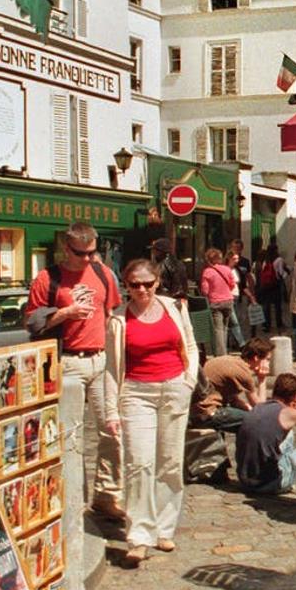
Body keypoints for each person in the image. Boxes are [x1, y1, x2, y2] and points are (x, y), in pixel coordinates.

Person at [25, 224, 123, 521]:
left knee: (111, 430)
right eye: (82, 254)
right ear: (67, 250)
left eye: (94, 252)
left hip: (100, 359)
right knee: (71, 434)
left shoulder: (103, 273)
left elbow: (112, 312)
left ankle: (106, 496)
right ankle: (74, 500)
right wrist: (65, 314)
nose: (89, 259)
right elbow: (31, 322)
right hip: (68, 361)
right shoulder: (48, 279)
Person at [105, 258, 198, 567]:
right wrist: (110, 412)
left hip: (174, 389)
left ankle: (164, 528)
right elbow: (110, 370)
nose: (141, 289)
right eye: (134, 285)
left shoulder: (175, 308)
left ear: (157, 282)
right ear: (126, 285)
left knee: (170, 463)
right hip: (136, 393)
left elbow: (191, 347)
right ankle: (140, 536)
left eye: (147, 283)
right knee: (139, 464)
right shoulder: (118, 320)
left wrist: (188, 381)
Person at [235, 373, 296, 495]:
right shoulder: (289, 414)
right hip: (270, 484)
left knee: (287, 432)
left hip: (245, 481)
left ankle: (287, 470)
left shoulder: (258, 407)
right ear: (294, 395)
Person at [190, 337, 273, 434]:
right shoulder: (243, 373)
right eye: (267, 359)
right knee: (257, 423)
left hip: (198, 410)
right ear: (256, 358)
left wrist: (249, 410)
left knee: (246, 419)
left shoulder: (233, 362)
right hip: (207, 413)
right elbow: (260, 408)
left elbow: (234, 400)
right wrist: (262, 379)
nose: (269, 363)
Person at [199, 248, 238, 357]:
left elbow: (205, 290)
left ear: (208, 259)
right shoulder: (227, 269)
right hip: (229, 301)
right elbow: (232, 285)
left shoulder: (207, 272)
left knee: (218, 329)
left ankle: (221, 355)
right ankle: (223, 351)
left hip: (215, 302)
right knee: (225, 328)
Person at [227, 238, 256, 346]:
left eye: (238, 248)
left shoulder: (245, 261)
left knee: (241, 318)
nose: (237, 250)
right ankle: (233, 341)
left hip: (242, 292)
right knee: (232, 320)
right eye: (235, 248)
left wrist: (251, 293)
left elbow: (248, 277)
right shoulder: (227, 262)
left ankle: (238, 340)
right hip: (230, 294)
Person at [253, 243, 285, 332]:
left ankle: (266, 324)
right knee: (277, 305)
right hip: (275, 285)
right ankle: (279, 323)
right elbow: (281, 273)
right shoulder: (279, 260)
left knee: (266, 306)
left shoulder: (264, 261)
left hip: (265, 285)